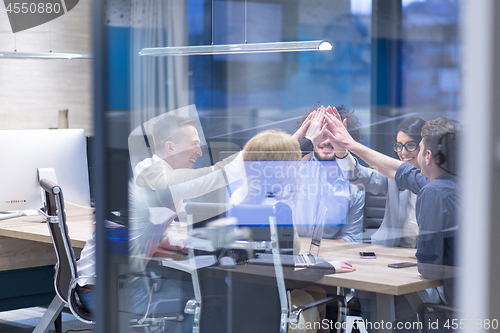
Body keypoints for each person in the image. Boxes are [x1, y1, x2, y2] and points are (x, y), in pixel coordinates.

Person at [76, 112, 245, 332]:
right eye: (194, 144)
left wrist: (177, 241)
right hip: (103, 292)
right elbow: (209, 179)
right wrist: (257, 153)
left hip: (122, 283)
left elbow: (160, 224)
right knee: (204, 298)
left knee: (207, 290)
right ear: (171, 148)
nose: (199, 151)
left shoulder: (162, 176)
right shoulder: (151, 175)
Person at [325, 114, 460, 309]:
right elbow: (397, 171)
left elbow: (429, 268)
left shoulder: (433, 191)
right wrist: (348, 147)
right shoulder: (452, 182)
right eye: (398, 146)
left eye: (414, 146)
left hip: (442, 289)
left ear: (427, 155)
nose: (403, 153)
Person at [232, 129, 355, 333]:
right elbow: (288, 279)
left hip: (238, 308)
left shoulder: (237, 203)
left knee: (315, 291)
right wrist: (328, 267)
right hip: (272, 314)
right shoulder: (277, 211)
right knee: (322, 296)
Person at [339, 117, 427, 247]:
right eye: (399, 146)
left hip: (429, 255)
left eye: (410, 145)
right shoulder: (394, 176)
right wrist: (341, 152)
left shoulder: (437, 181)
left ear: (424, 146)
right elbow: (360, 176)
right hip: (394, 252)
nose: (403, 152)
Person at [292, 105, 365, 242]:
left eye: (332, 134)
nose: (326, 141)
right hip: (289, 250)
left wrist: (324, 259)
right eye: (321, 133)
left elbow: (350, 236)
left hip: (332, 258)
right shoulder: (296, 169)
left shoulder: (356, 183)